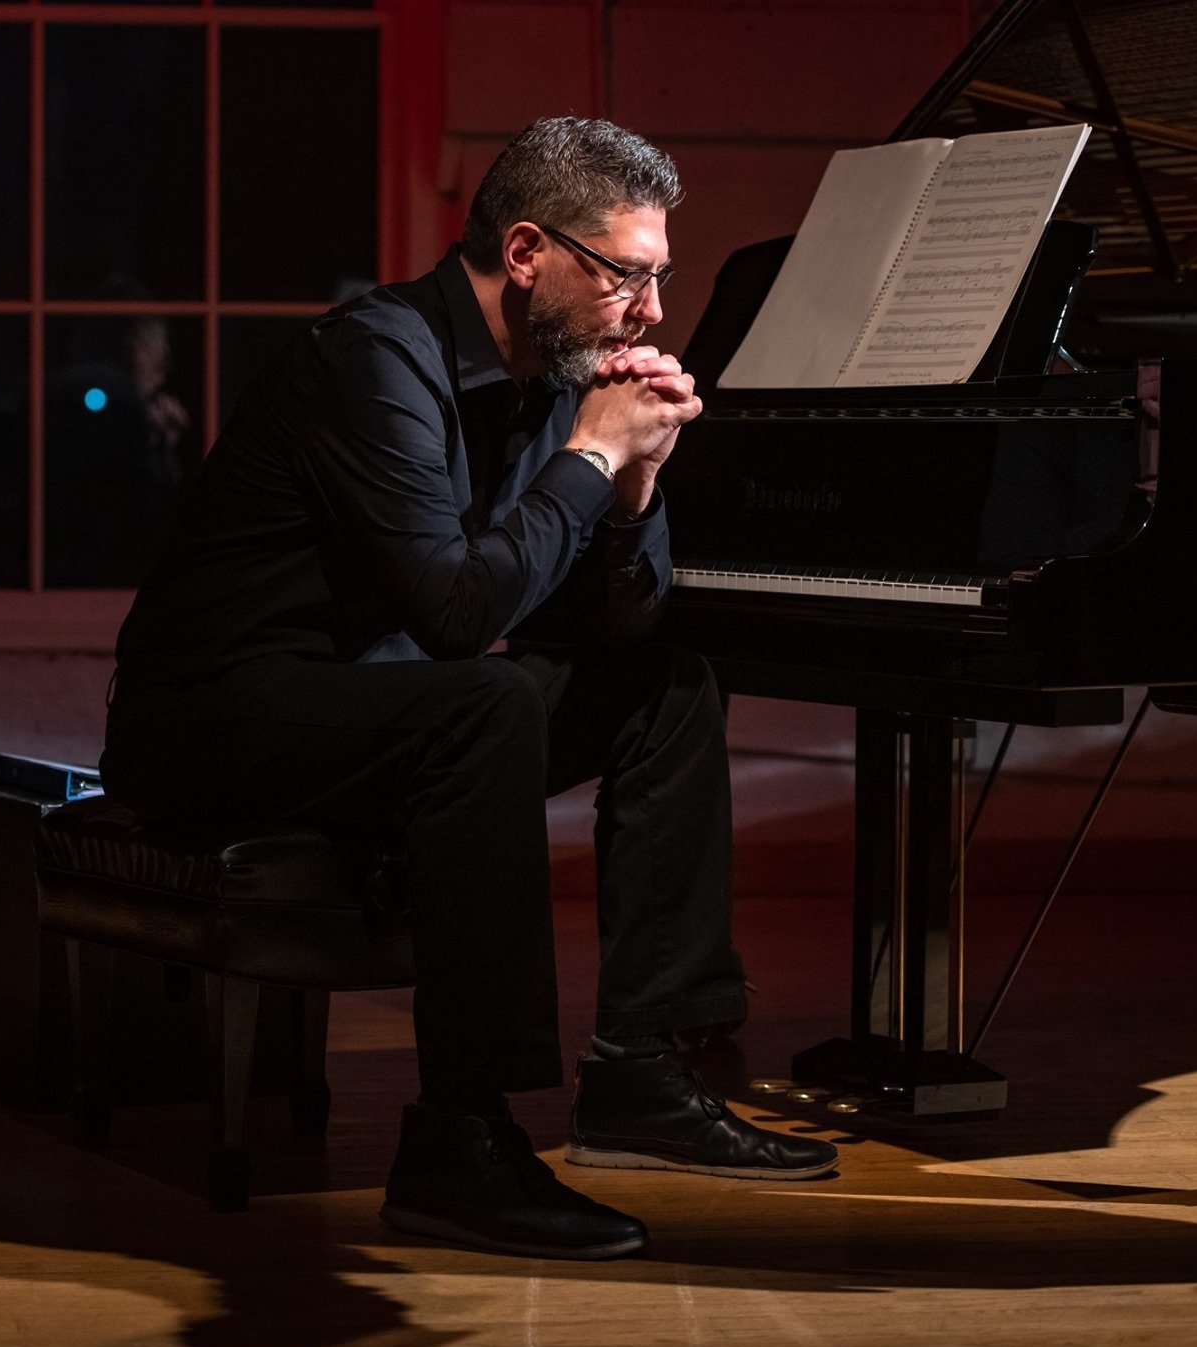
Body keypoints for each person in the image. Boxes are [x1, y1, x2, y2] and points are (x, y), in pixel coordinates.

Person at [101, 116, 838, 1262]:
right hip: (216, 715)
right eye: (627, 276)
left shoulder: (554, 377)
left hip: (380, 711)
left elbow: (612, 624)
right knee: (481, 702)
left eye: (661, 278)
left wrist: (635, 486)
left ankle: (643, 1071)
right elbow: (457, 614)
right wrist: (590, 459)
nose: (649, 311)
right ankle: (459, 1142)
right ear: (531, 250)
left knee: (666, 682)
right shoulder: (375, 357)